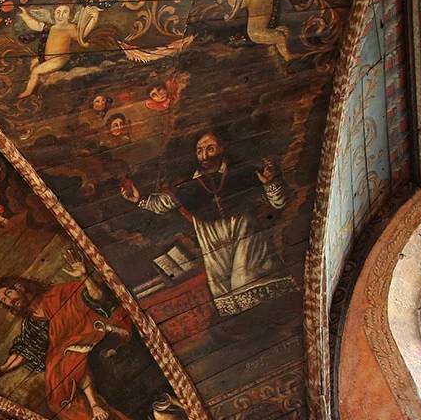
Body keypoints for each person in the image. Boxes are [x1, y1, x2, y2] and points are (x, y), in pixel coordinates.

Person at [120, 132, 293, 317]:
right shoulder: (189, 185)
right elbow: (163, 204)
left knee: (248, 282)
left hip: (244, 233)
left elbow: (279, 203)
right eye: (200, 150)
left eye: (210, 148)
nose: (205, 155)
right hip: (211, 242)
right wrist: (138, 200)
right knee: (227, 296)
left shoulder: (244, 172)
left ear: (222, 148)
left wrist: (270, 183)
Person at [0, 263, 140, 420]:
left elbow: (95, 297)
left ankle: (96, 405)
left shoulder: (57, 295)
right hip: (67, 354)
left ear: (20, 287)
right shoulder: (31, 324)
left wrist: (85, 276)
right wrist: (2, 369)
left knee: (69, 353)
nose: (10, 301)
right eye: (5, 300)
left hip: (88, 334)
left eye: (8, 293)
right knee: (57, 398)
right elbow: (24, 349)